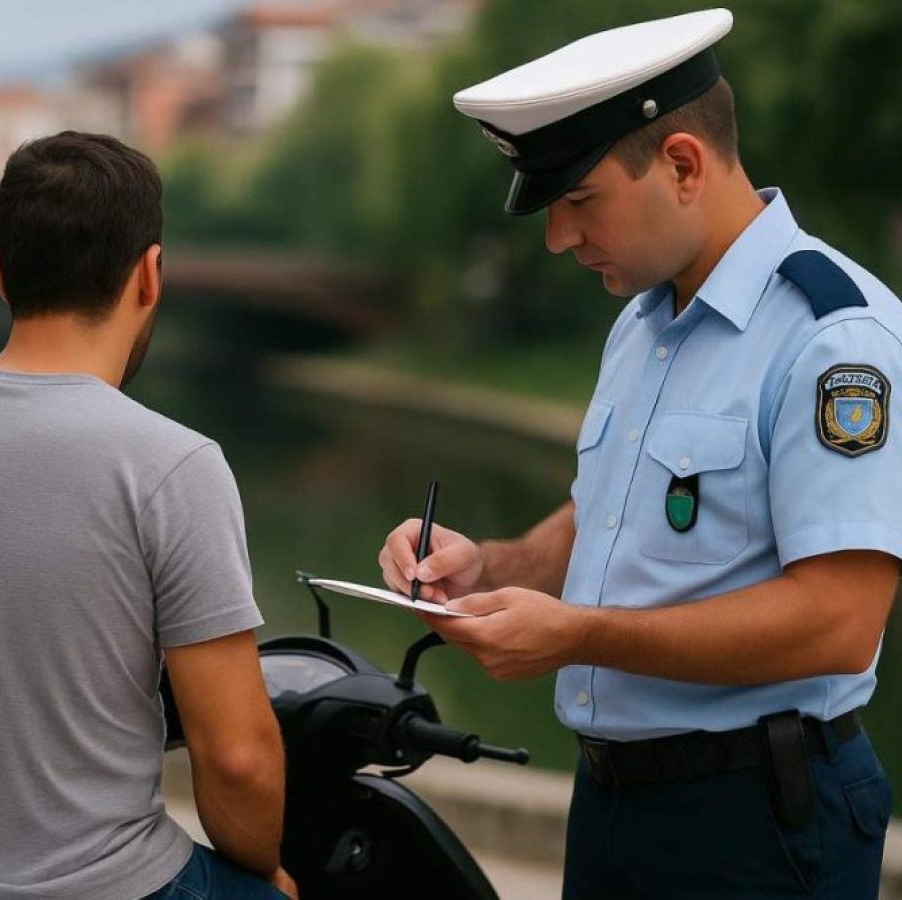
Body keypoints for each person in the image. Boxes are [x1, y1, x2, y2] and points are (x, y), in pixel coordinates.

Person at [378, 9, 899, 898]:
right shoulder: (643, 321)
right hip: (616, 801)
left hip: (757, 821)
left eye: (581, 202)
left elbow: (839, 623)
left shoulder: (834, 338)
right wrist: (489, 569)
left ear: (683, 165)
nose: (558, 238)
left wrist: (578, 635)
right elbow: (612, 517)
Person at [0, 131, 296, 899]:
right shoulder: (173, 465)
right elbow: (237, 758)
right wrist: (265, 874)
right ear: (150, 274)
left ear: (1, 275)